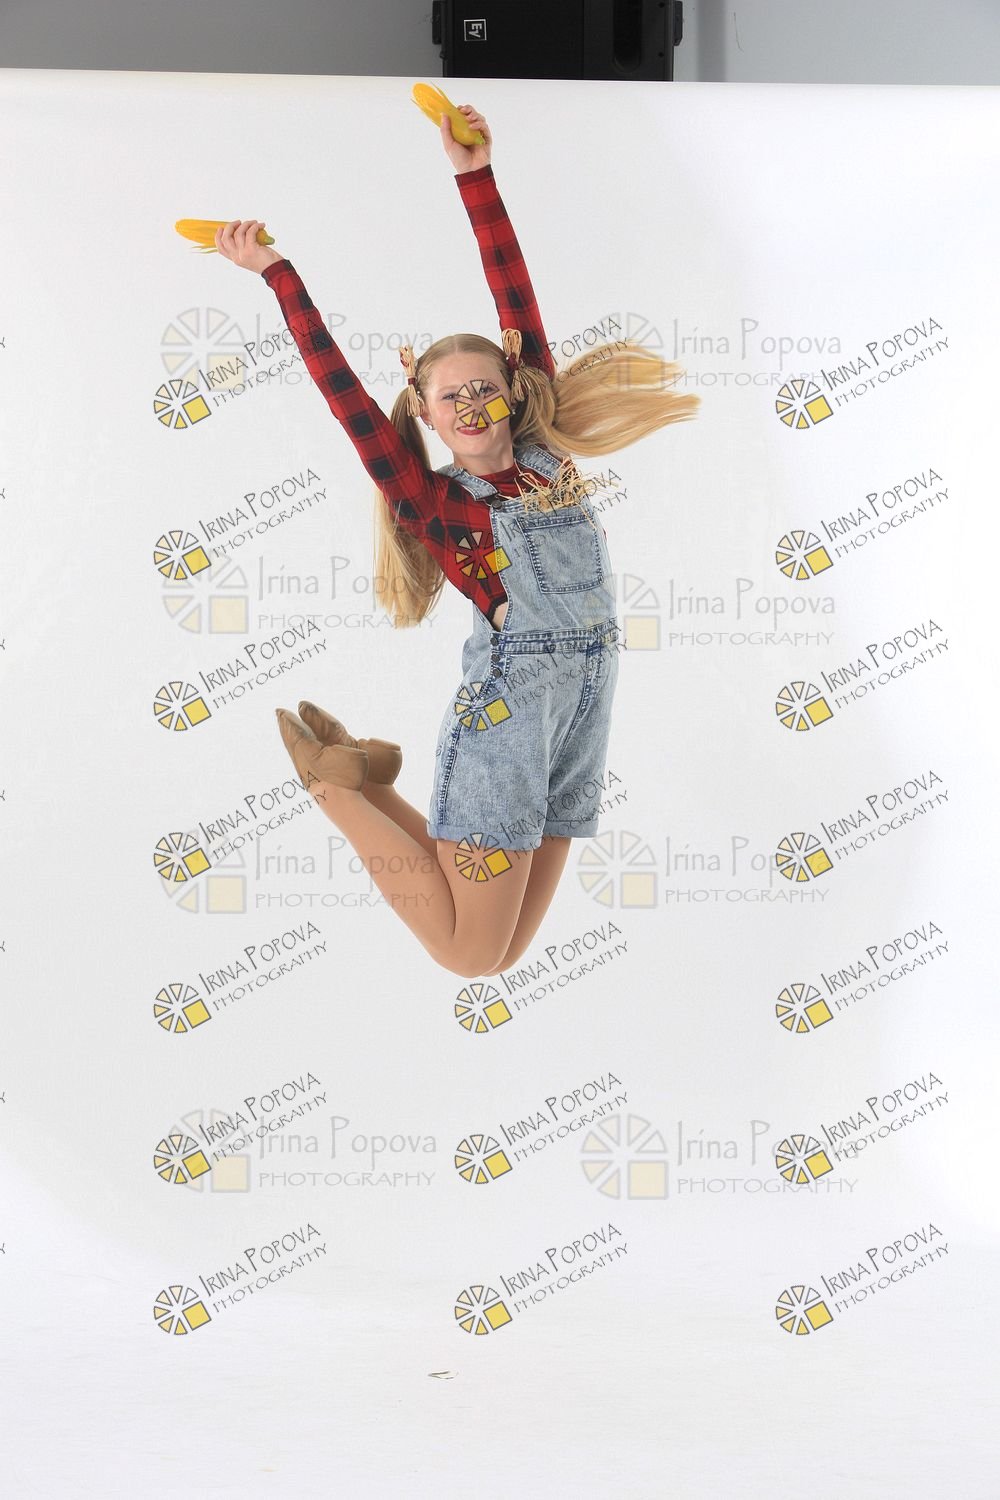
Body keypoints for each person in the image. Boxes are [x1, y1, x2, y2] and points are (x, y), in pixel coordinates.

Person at [213, 102, 699, 979]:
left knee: (502, 955)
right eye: (451, 399)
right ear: (427, 415)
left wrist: (474, 173)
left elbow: (514, 293)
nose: (472, 407)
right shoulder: (437, 503)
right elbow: (341, 391)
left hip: (585, 711)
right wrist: (279, 275)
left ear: (514, 389)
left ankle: (363, 778)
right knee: (470, 956)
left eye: (485, 388)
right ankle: (331, 785)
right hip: (506, 721)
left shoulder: (549, 456)